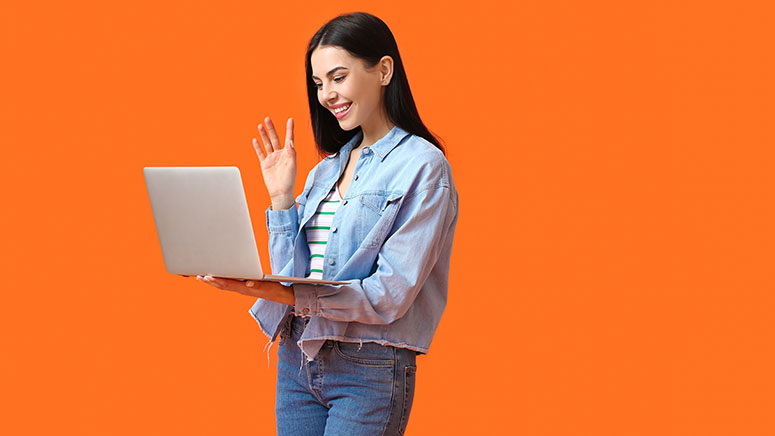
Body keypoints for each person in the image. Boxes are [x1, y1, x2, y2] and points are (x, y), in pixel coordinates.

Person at [196, 11, 458, 436]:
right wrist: (282, 199)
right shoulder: (325, 171)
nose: (326, 95)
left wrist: (281, 294)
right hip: (299, 355)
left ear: (384, 70)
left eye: (338, 77)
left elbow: (390, 294)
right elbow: (292, 273)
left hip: (368, 364)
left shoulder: (423, 166)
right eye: (318, 84)